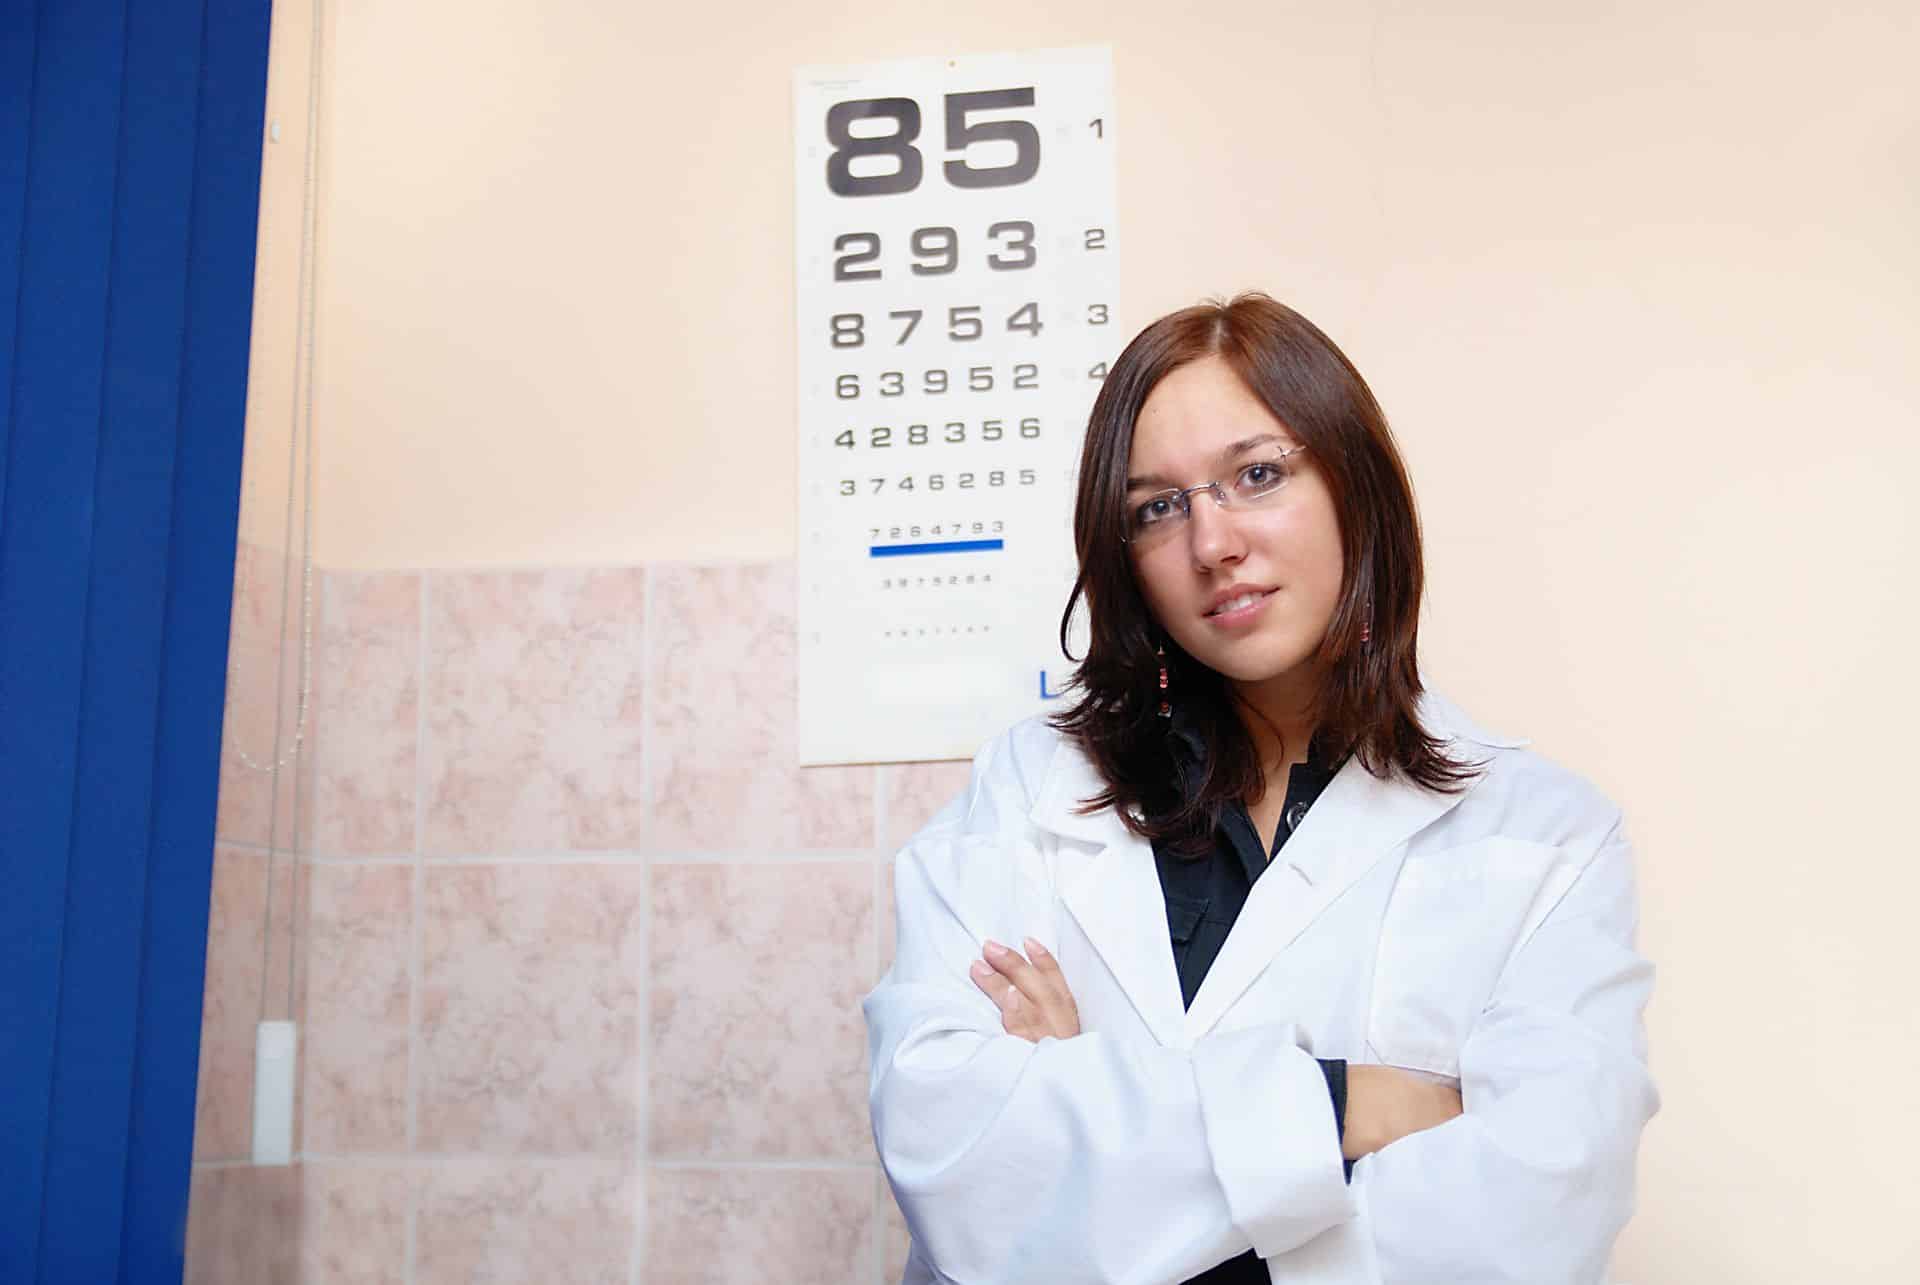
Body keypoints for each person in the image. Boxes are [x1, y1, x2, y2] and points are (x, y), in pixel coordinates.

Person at [863, 293, 1659, 1284]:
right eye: (1157, 507)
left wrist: (1083, 1105)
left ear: (1354, 485)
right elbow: (949, 1154)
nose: (1212, 543)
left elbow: (1529, 1229)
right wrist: (1344, 1105)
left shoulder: (1546, 835)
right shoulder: (1029, 787)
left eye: (1257, 474)